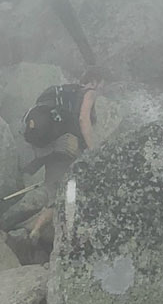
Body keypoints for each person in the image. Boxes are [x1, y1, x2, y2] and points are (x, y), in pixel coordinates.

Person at [6, 81, 100, 247]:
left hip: (51, 150)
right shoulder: (89, 93)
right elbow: (83, 119)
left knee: (53, 200)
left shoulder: (62, 93)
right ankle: (68, 239)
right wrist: (94, 152)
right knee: (69, 198)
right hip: (67, 153)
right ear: (97, 81)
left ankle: (36, 230)